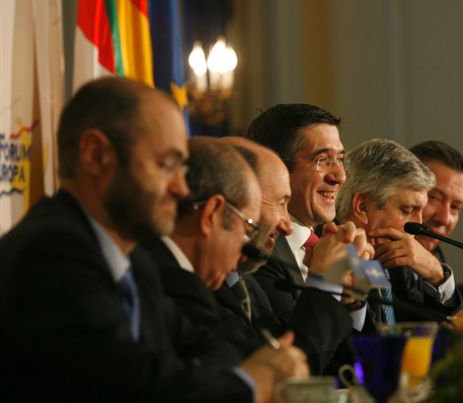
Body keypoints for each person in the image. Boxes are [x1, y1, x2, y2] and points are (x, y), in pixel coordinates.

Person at [0, 77, 307, 402]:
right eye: (166, 165)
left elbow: (212, 345)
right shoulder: (50, 255)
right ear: (96, 155)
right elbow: (136, 389)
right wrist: (254, 379)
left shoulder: (135, 261)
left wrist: (253, 367)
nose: (181, 189)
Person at [143, 136, 353, 374]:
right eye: (281, 203)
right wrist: (326, 280)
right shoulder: (163, 279)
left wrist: (350, 294)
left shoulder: (245, 283)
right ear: (213, 213)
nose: (287, 226)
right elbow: (271, 372)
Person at [246, 104, 371, 330]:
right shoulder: (258, 250)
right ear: (277, 167)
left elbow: (363, 343)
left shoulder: (336, 242)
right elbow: (290, 344)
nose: (340, 176)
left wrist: (353, 299)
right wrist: (326, 279)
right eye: (322, 160)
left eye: (340, 159)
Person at [335, 138, 463, 323]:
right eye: (408, 210)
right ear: (362, 206)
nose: (419, 224)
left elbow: (441, 327)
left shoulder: (395, 258)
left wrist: (436, 275)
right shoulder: (328, 253)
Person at [409, 140, 463, 265]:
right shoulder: (369, 252)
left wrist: (440, 274)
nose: (444, 219)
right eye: (434, 198)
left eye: (454, 207)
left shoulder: (437, 257)